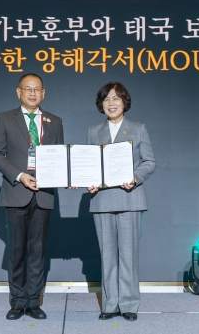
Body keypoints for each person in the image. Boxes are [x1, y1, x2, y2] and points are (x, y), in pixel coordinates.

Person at [0, 73, 64, 321]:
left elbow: (59, 157)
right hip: (16, 191)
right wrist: (20, 175)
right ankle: (17, 301)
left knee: (37, 249)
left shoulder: (55, 122)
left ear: (44, 93)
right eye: (28, 89)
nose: (32, 93)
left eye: (37, 89)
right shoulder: (4, 119)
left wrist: (66, 177)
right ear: (18, 92)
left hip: (44, 193)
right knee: (17, 249)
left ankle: (34, 301)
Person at [86, 82, 155, 321]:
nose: (111, 103)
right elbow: (90, 164)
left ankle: (129, 305)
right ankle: (110, 304)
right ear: (101, 104)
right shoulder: (94, 131)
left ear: (125, 102)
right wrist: (89, 181)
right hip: (102, 200)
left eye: (116, 99)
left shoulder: (138, 128)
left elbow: (149, 162)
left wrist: (135, 178)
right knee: (107, 256)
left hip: (130, 198)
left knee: (128, 255)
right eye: (106, 99)